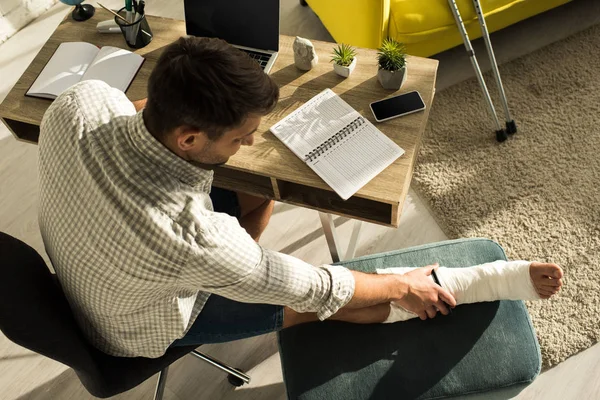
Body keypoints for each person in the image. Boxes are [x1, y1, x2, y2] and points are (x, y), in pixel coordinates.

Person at [38, 36, 562, 359]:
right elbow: (316, 286)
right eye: (240, 137)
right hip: (136, 328)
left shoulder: (81, 101)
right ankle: (447, 289)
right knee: (318, 307)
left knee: (252, 196)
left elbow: (140, 108)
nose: (249, 144)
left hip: (90, 267)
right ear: (189, 138)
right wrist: (399, 285)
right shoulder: (195, 240)